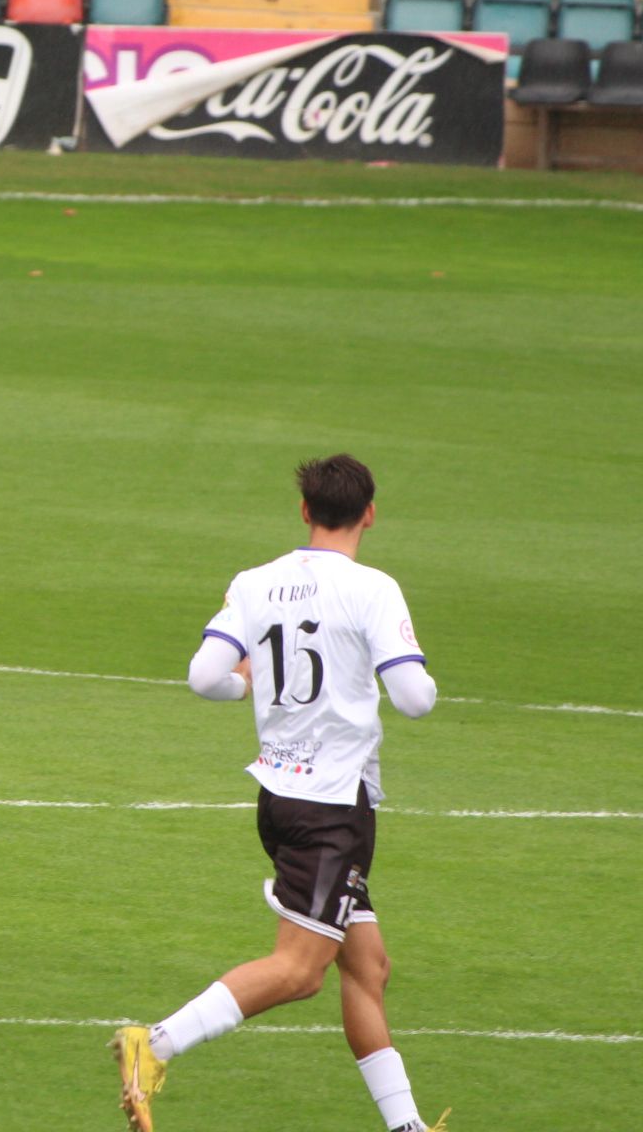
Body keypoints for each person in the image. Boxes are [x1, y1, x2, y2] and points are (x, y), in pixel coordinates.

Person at [111, 454, 446, 1132]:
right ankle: (154, 1044)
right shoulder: (373, 588)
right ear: (370, 514)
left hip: (279, 796)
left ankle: (406, 1128)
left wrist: (253, 684)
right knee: (298, 972)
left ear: (304, 512)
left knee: (368, 967)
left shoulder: (256, 582)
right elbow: (414, 698)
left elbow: (205, 675)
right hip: (332, 809)